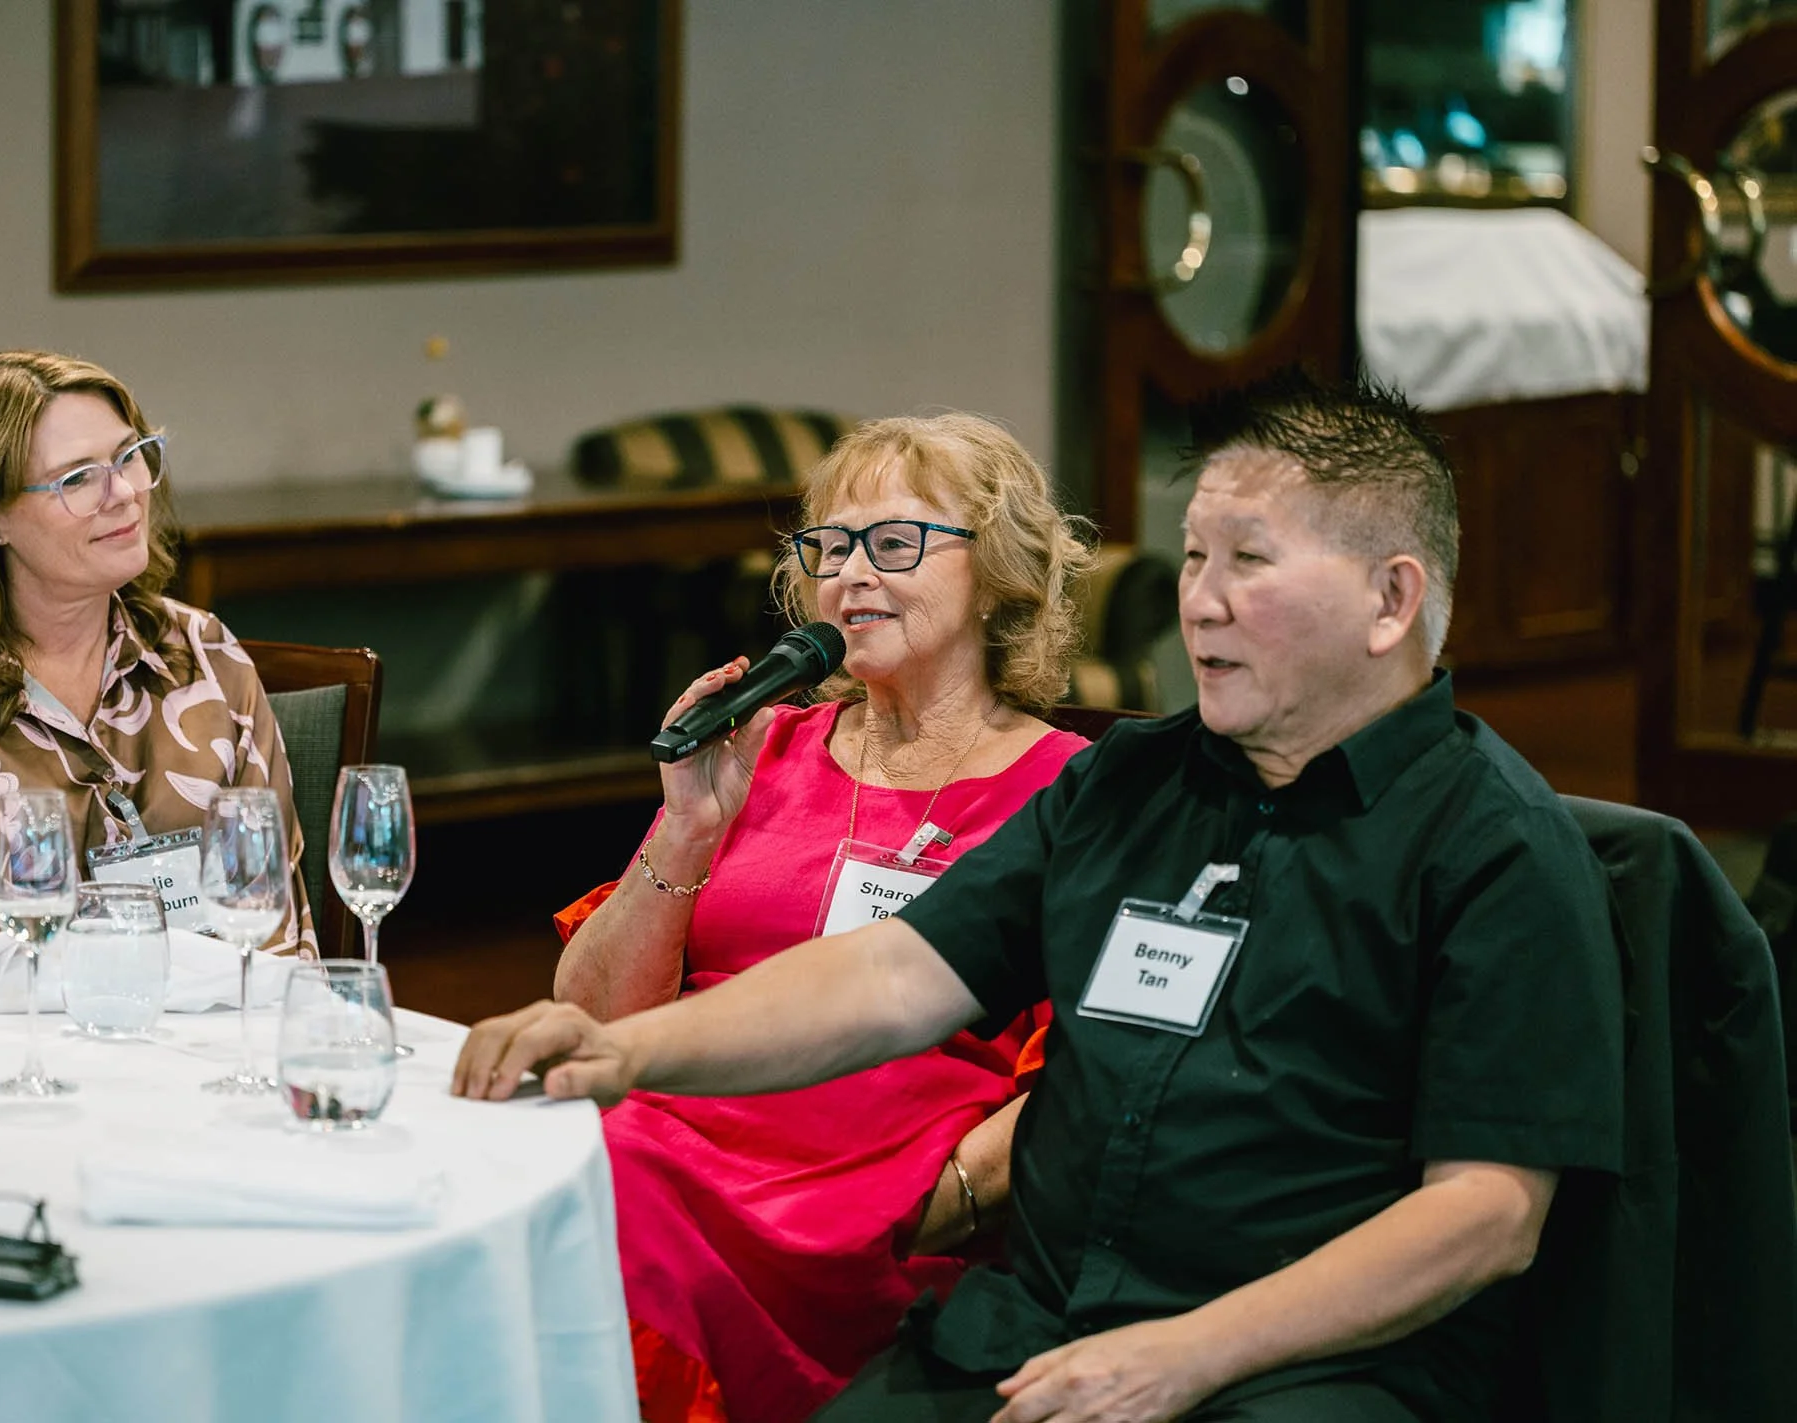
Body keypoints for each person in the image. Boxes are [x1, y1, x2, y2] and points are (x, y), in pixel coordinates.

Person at [455, 373, 1626, 1423]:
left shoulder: (1495, 847)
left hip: (1308, 1361)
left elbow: (1486, 1214)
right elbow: (893, 970)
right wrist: (623, 1055)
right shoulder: (1135, 781)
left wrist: (1184, 1355)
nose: (1200, 601)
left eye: (1249, 562)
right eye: (1196, 558)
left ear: (1390, 600)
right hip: (1043, 1319)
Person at [550, 413, 1096, 1421]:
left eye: (895, 544)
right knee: (567, 1163)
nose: (851, 573)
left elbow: (1088, 1074)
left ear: (999, 570)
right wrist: (684, 831)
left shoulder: (1071, 792)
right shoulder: (767, 747)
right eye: (829, 547)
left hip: (879, 1201)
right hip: (683, 1143)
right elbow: (592, 1016)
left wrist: (959, 1200)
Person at [0, 350, 315, 950]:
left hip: (211, 1036)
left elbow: (273, 935)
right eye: (78, 477)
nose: (123, 494)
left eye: (128, 457)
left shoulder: (203, 652)